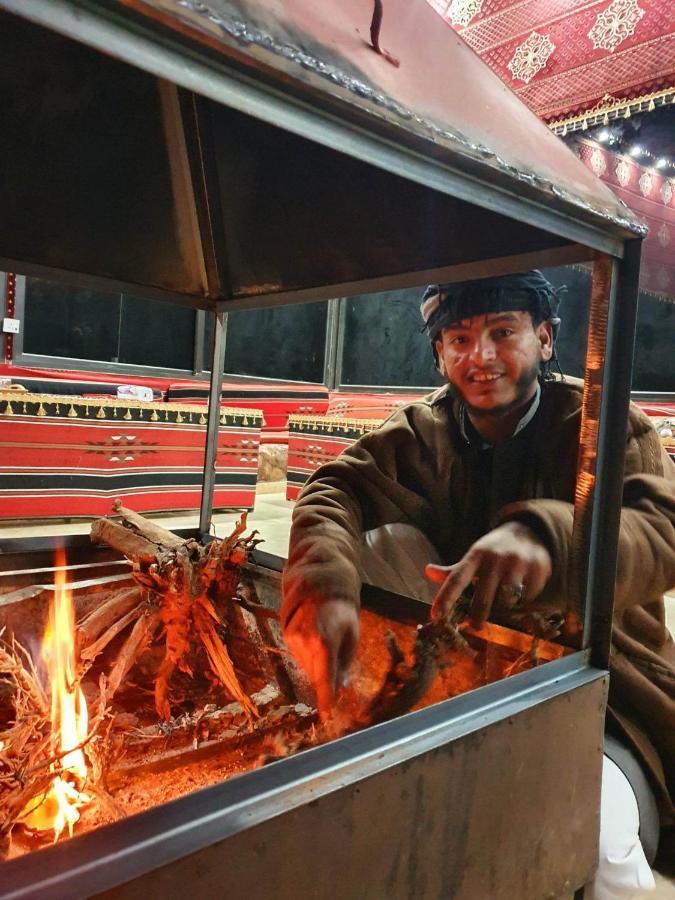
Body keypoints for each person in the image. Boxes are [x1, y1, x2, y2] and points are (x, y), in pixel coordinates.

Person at [281, 271, 675, 899]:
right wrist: (323, 585)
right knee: (381, 543)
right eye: (459, 338)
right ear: (439, 354)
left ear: (545, 340)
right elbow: (334, 490)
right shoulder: (421, 433)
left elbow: (663, 526)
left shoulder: (606, 427)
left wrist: (547, 541)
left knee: (594, 834)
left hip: (597, 692)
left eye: (502, 332)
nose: (481, 355)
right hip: (467, 675)